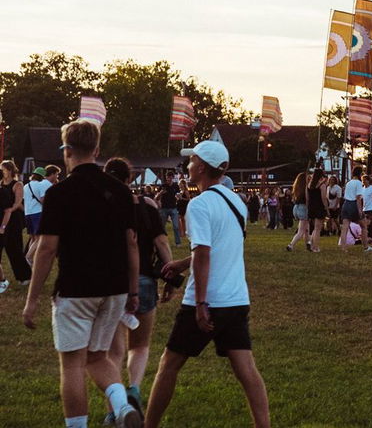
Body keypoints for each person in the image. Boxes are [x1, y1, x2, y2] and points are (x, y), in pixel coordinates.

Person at [20, 120, 144, 428]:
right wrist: (133, 291)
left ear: (67, 149)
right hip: (114, 288)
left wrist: (32, 299)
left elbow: (47, 249)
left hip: (76, 289)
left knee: (72, 363)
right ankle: (121, 405)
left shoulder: (60, 193)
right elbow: (132, 243)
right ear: (97, 149)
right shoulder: (119, 191)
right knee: (98, 357)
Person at [144, 136, 270, 428]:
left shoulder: (199, 205)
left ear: (201, 167)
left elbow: (203, 252)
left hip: (208, 301)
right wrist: (182, 263)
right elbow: (219, 247)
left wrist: (200, 304)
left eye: (192, 161)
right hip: (236, 298)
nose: (188, 165)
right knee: (246, 370)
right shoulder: (237, 202)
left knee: (168, 365)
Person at [107, 158, 170, 411]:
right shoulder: (147, 206)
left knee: (112, 353)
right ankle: (133, 387)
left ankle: (115, 408)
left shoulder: (103, 208)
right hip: (144, 280)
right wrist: (170, 275)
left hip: (110, 282)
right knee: (140, 345)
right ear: (129, 179)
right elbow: (162, 244)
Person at [1, 161, 28, 293]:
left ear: (10, 170)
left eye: (4, 169)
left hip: (14, 218)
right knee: (6, 247)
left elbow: (18, 202)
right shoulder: (1, 184)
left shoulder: (17, 184)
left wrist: (9, 210)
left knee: (14, 248)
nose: (2, 171)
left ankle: (24, 276)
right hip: (3, 218)